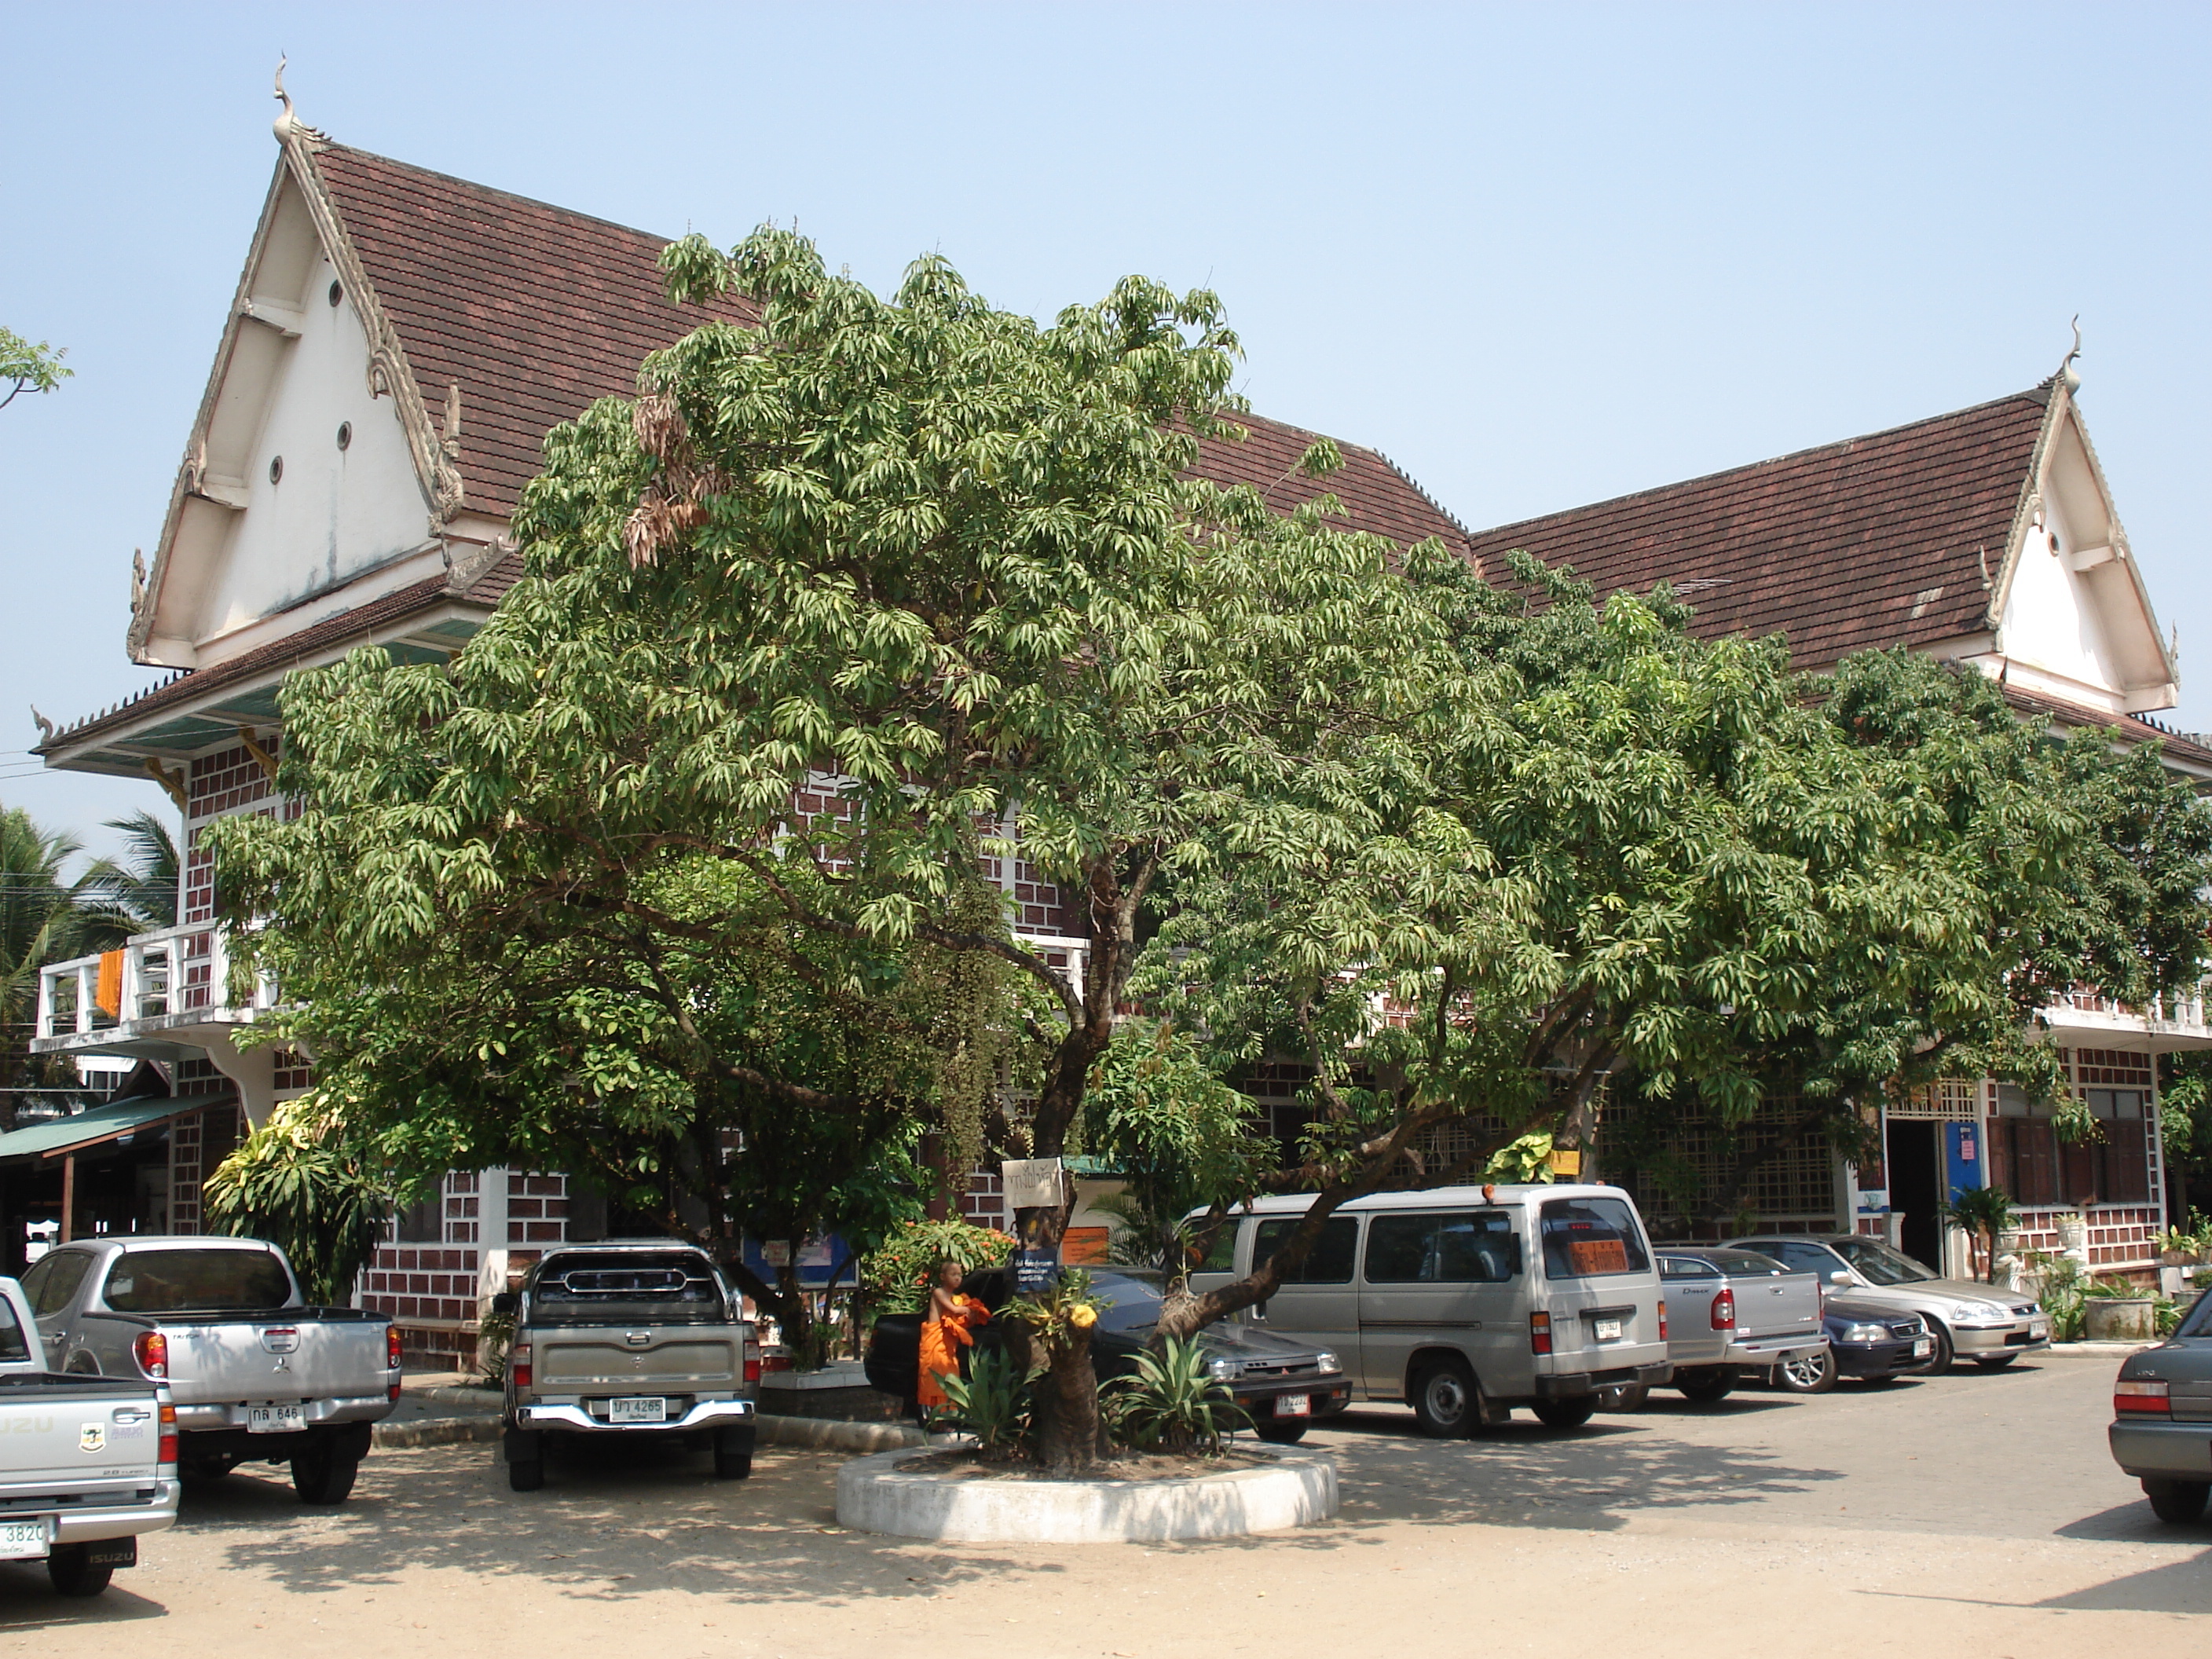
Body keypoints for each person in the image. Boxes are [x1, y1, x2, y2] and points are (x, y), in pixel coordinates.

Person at [916, 1258, 989, 1415]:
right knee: (935, 1381)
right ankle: (934, 1418)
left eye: (960, 1275)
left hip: (948, 1348)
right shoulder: (939, 1293)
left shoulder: (959, 1298)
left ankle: (946, 1417)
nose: (958, 1278)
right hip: (935, 1345)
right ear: (943, 1277)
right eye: (953, 1274)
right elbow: (955, 1310)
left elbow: (962, 1320)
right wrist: (968, 1309)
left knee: (950, 1379)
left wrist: (975, 1313)